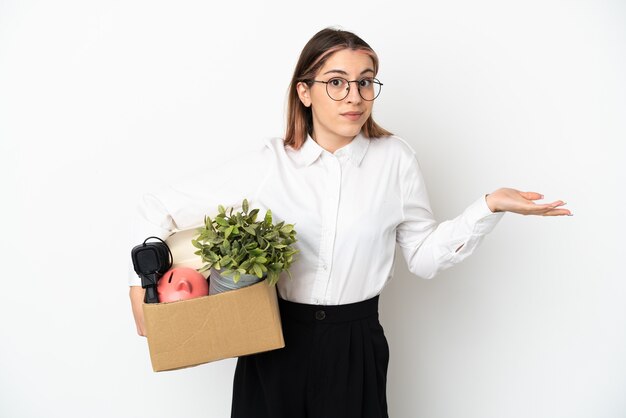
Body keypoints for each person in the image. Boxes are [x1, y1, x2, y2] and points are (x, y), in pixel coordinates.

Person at [128, 27, 572, 418]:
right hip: (272, 341)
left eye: (364, 83)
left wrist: (487, 207)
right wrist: (141, 287)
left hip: (355, 345)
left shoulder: (395, 160)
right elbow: (158, 206)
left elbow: (423, 259)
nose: (354, 97)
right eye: (336, 83)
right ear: (305, 91)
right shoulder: (269, 165)